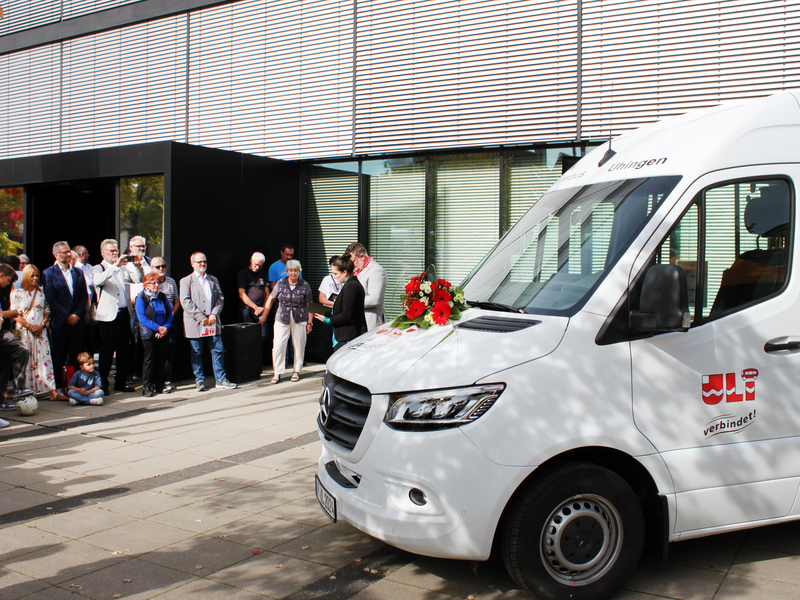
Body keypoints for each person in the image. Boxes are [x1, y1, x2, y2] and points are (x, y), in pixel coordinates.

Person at [179, 252, 237, 391]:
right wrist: (201, 317)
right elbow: (185, 301)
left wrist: (213, 314)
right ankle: (200, 381)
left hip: (212, 322)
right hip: (195, 322)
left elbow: (220, 298)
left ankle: (221, 379)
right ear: (192, 263)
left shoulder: (213, 279)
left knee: (217, 350)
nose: (202, 264)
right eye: (199, 262)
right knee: (197, 352)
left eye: (204, 261)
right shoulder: (186, 281)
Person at [11, 265, 68, 401]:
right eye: (32, 275)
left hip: (40, 332)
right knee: (25, 360)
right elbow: (15, 314)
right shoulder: (17, 293)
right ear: (26, 276)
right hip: (24, 331)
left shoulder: (41, 293)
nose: (35, 278)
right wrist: (30, 326)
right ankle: (25, 390)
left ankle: (51, 391)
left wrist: (42, 325)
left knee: (44, 360)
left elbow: (47, 311)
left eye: (37, 275)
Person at [93, 239, 138, 394]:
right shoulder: (99, 268)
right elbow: (97, 281)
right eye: (112, 250)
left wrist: (133, 264)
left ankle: (121, 382)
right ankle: (103, 384)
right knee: (106, 351)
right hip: (108, 317)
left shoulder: (122, 269)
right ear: (103, 252)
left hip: (124, 313)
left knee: (124, 350)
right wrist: (114, 266)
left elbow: (134, 281)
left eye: (116, 250)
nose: (115, 253)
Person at [43, 241, 88, 391]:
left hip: (77, 322)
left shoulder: (78, 272)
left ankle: (75, 386)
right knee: (59, 356)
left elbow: (83, 297)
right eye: (64, 252)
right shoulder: (49, 273)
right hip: (60, 323)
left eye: (69, 251)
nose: (68, 254)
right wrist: (66, 315)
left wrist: (76, 315)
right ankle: (59, 387)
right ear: (56, 255)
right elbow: (52, 299)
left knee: (76, 356)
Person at [263, 260, 312, 384]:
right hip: (282, 316)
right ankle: (277, 372)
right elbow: (271, 299)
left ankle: (296, 371)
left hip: (300, 316)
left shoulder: (305, 285)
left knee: (299, 345)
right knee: (278, 345)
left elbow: (309, 305)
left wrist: (309, 322)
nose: (293, 273)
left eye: (295, 270)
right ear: (287, 271)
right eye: (291, 270)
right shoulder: (281, 283)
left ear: (299, 271)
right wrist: (265, 314)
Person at [314, 255, 367, 352]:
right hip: (347, 336)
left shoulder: (351, 286)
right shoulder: (351, 284)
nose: (334, 277)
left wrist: (328, 320)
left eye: (335, 273)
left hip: (347, 337)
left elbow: (347, 315)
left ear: (345, 272)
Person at [135, 272, 173, 397]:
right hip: (149, 333)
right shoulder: (141, 297)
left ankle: (159, 384)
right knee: (149, 360)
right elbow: (142, 318)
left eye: (158, 282)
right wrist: (157, 328)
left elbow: (169, 314)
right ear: (146, 285)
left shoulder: (162, 296)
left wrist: (165, 328)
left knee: (161, 359)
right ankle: (147, 386)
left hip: (163, 333)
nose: (156, 285)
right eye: (153, 283)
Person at [0, 264, 30, 409]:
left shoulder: (3, 290)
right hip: (2, 332)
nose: (8, 283)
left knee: (4, 367)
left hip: (4, 329)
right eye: (8, 279)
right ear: (1, 275)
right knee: (21, 350)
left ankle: (0, 402)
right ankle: (20, 387)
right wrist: (13, 312)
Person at [151, 256, 179, 391]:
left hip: (169, 323)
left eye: (163, 266)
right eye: (158, 267)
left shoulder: (171, 282)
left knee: (168, 352)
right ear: (151, 268)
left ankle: (166, 379)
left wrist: (172, 313)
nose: (161, 269)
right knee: (152, 353)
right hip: (153, 323)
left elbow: (176, 300)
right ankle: (151, 381)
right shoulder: (149, 281)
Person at [345, 242, 387, 330]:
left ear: (362, 257)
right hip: (355, 323)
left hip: (369, 322)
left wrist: (350, 302)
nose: (351, 265)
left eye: (353, 261)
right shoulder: (356, 270)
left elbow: (375, 299)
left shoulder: (376, 271)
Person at [238, 252, 270, 343]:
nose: (257, 267)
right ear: (251, 260)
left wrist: (263, 310)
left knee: (263, 337)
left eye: (260, 265)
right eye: (255, 264)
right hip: (248, 309)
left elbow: (267, 293)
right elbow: (242, 294)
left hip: (261, 309)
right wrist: (255, 307)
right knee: (248, 336)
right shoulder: (243, 273)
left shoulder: (263, 274)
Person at [318, 255, 343, 359]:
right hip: (329, 311)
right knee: (328, 340)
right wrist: (334, 303)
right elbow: (321, 298)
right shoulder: (327, 279)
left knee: (340, 341)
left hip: (341, 312)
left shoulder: (344, 277)